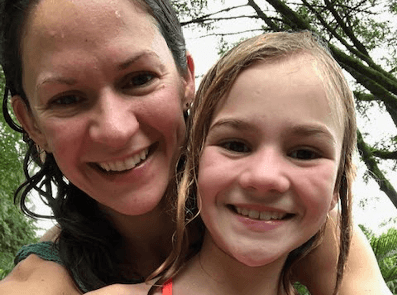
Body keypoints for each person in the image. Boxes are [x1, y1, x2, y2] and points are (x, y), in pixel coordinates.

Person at [0, 0, 390, 294]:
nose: (115, 131)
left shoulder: (298, 222)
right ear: (30, 121)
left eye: (138, 79)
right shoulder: (39, 283)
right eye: (67, 99)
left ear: (187, 79)